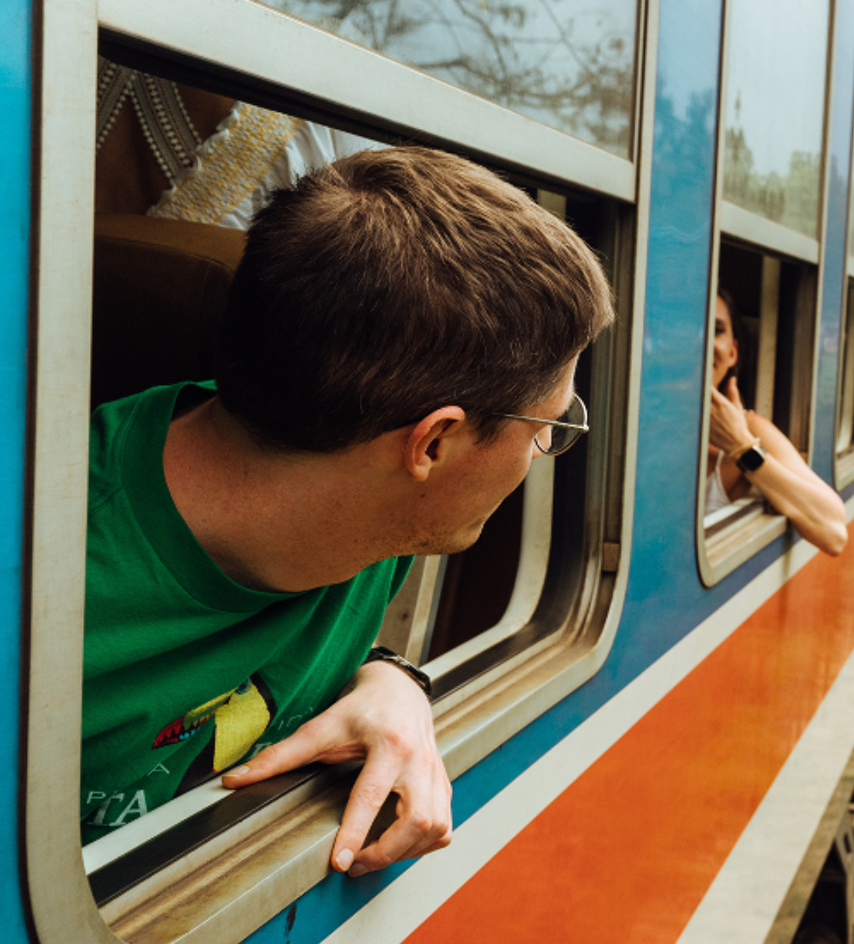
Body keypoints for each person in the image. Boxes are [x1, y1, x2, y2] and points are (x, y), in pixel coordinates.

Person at [82, 147, 612, 879]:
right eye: (547, 424)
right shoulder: (55, 578)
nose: (545, 450)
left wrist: (392, 680)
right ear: (434, 443)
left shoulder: (371, 519)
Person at [703, 291, 848, 555]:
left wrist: (741, 446)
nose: (703, 343)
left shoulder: (750, 429)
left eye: (716, 330)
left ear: (733, 353)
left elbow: (834, 531)